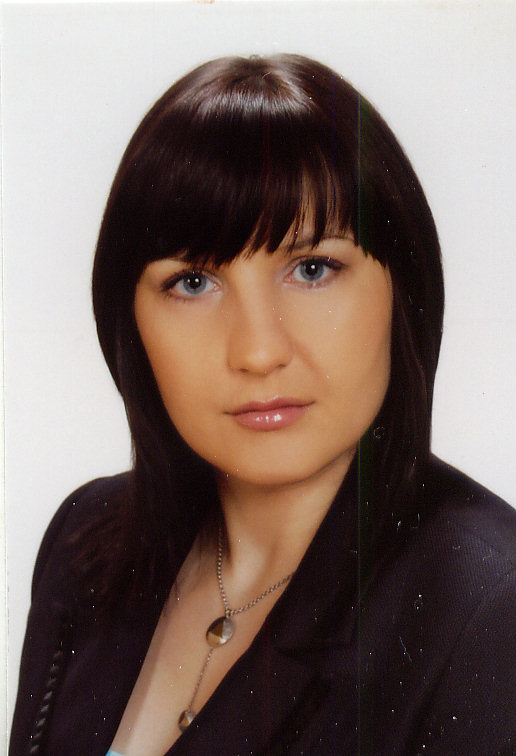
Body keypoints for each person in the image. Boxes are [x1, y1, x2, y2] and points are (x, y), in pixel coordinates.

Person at [10, 54, 516, 756]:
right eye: (192, 282)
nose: (256, 351)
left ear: (404, 288)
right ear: (128, 321)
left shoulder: (490, 607)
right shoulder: (85, 538)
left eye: (312, 269)